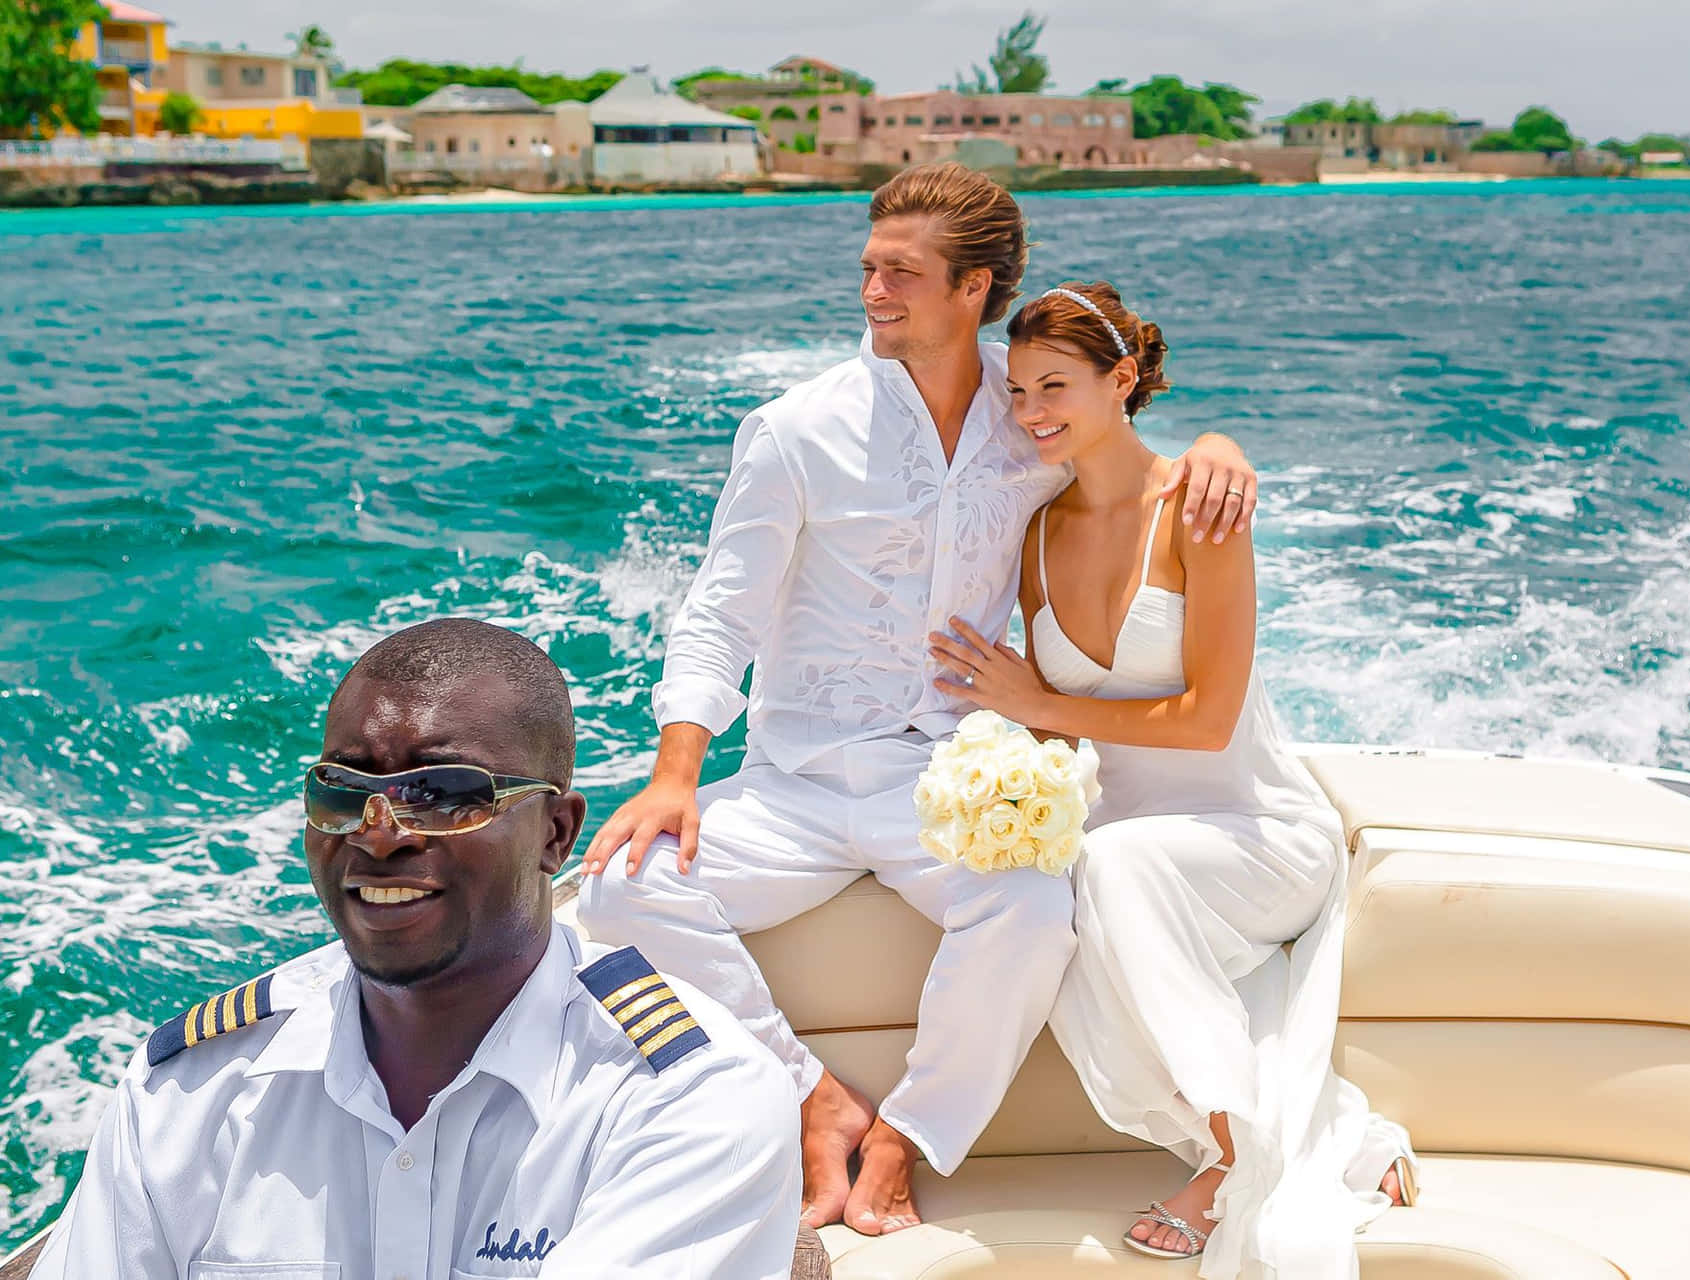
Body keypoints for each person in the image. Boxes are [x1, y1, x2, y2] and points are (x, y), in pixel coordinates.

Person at [575, 163, 1262, 1236]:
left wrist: (1219, 449)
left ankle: (909, 1135)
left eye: (901, 272)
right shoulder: (795, 430)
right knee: (618, 894)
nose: (873, 291)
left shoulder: (1029, 418)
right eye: (867, 268)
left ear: (975, 287)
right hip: (795, 780)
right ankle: (809, 1093)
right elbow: (721, 611)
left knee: (1033, 907)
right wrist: (676, 770)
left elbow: (1137, 462)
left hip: (943, 776)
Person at [31, 618, 803, 1280]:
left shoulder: (690, 1100)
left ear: (555, 835)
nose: (378, 833)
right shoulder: (193, 1090)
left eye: (442, 796)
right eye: (341, 793)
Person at [927, 283, 1415, 1278]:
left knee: (1111, 866)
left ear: (1124, 378)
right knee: (1063, 879)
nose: (1031, 412)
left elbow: (1207, 720)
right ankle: (1327, 1136)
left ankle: (1236, 1160)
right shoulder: (1035, 535)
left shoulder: (1202, 507)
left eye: (1054, 385)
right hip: (1136, 844)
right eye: (1017, 391)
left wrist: (1048, 704)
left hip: (1256, 832)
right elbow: (1032, 703)